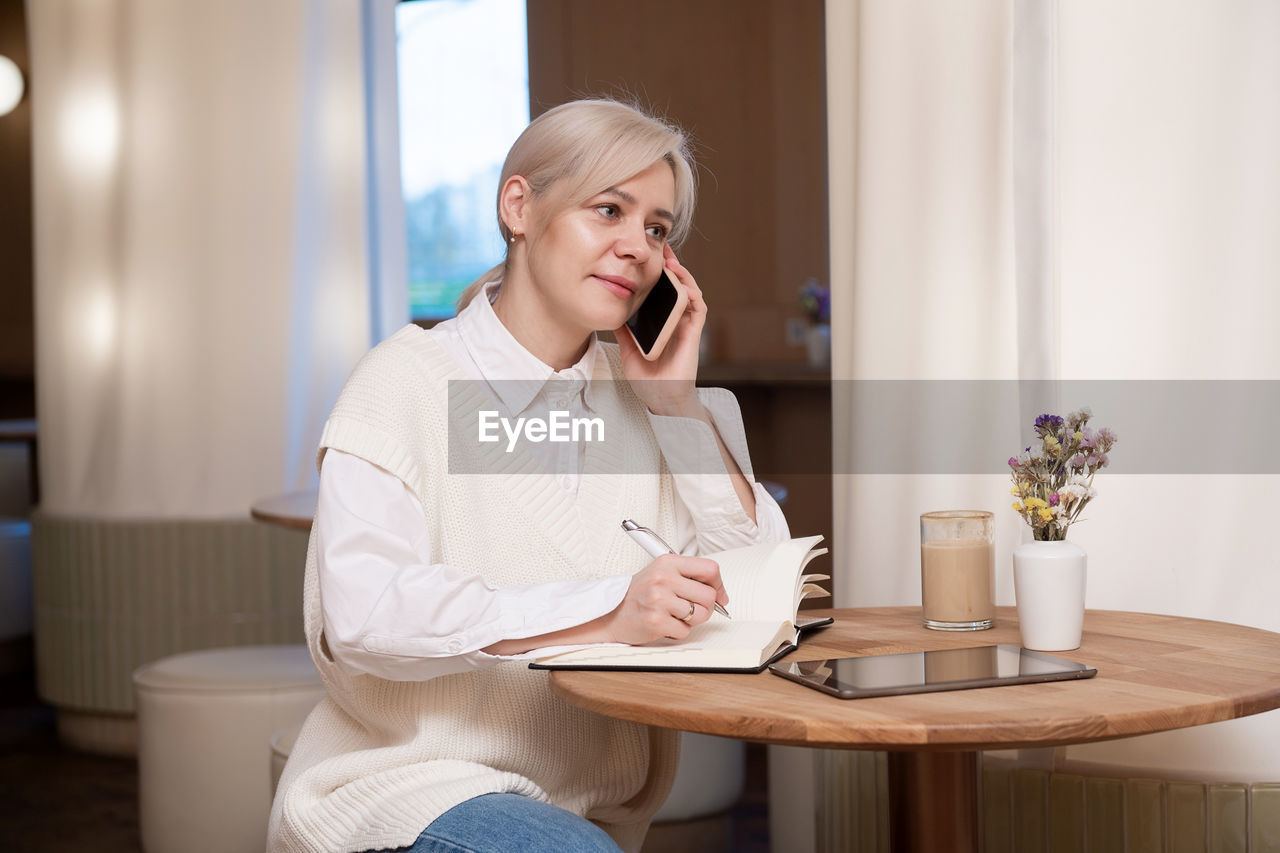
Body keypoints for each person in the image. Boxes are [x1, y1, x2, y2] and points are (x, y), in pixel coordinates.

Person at [267, 98, 790, 853]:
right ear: (519, 206)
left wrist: (677, 406)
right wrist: (610, 607)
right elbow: (365, 615)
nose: (636, 247)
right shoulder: (401, 381)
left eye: (656, 229)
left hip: (580, 812)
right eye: (608, 209)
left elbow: (761, 576)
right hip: (405, 788)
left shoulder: (652, 401)